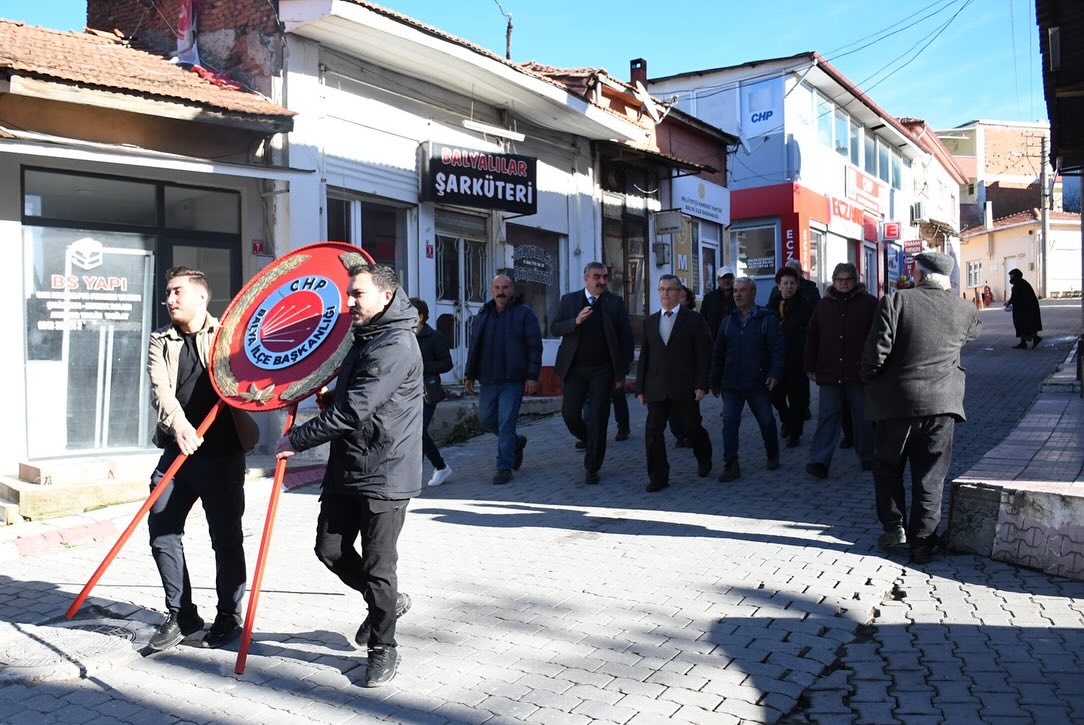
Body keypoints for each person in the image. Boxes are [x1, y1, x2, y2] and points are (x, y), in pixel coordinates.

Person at [275, 263, 422, 688]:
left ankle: (383, 648)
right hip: (348, 465)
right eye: (349, 293)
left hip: (385, 471)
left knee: (379, 567)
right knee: (330, 550)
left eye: (357, 294)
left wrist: (296, 440)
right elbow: (350, 402)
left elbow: (356, 409)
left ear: (385, 295)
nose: (349, 302)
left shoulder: (395, 343)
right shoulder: (366, 337)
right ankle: (387, 605)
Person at [145, 267, 259, 652]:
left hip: (223, 452)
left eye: (177, 291)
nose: (170, 298)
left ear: (200, 297)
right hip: (178, 451)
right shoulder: (160, 340)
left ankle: (229, 615)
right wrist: (179, 426)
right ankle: (182, 614)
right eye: (167, 292)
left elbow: (252, 378)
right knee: (161, 530)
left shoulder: (228, 334)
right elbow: (161, 392)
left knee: (225, 538)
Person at [862, 251, 981, 564]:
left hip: (896, 405)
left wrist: (870, 380)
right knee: (930, 476)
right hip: (943, 405)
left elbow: (876, 354)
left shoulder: (896, 301)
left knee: (888, 468)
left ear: (918, 274)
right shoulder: (965, 309)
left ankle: (894, 527)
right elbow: (972, 333)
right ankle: (922, 545)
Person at [552, 262, 634, 484]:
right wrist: (575, 322)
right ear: (586, 278)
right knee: (570, 414)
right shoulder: (569, 301)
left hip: (603, 370)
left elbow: (626, 338)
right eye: (597, 277)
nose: (602, 281)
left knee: (599, 416)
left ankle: (592, 466)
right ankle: (592, 440)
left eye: (605, 277)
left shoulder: (614, 302)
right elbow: (555, 327)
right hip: (575, 369)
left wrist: (622, 372)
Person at [636, 274, 714, 492]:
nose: (665, 294)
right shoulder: (651, 322)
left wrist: (701, 384)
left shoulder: (694, 320)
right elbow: (645, 356)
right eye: (661, 289)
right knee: (653, 433)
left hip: (684, 387)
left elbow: (703, 355)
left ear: (680, 293)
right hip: (656, 387)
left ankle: (704, 456)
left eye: (670, 290)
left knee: (691, 428)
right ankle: (658, 477)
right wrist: (640, 387)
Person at [464, 274, 543, 485]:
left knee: (506, 422)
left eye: (505, 287)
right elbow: (475, 346)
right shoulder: (483, 314)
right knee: (487, 419)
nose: (501, 291)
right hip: (489, 379)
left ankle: (503, 466)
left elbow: (534, 346)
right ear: (492, 290)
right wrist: (470, 375)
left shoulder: (524, 314)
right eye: (497, 287)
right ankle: (516, 443)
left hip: (514, 380)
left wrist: (532, 376)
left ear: (512, 289)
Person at [803, 262, 877, 479]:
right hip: (829, 371)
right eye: (839, 279)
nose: (844, 283)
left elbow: (878, 336)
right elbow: (812, 336)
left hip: (859, 372)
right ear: (833, 281)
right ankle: (819, 461)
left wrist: (875, 365)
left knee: (863, 418)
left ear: (856, 281)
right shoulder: (824, 305)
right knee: (827, 417)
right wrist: (809, 365)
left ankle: (868, 457)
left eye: (848, 279)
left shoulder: (869, 303)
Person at [709, 276, 784, 482]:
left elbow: (777, 350)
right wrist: (713, 381)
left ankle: (772, 452)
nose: (738, 295)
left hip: (757, 382)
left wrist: (774, 373)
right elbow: (718, 353)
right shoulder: (727, 321)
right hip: (731, 383)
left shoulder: (766, 319)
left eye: (742, 291)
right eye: (735, 291)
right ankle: (731, 464)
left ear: (753, 293)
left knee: (767, 420)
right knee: (729, 422)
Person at [409, 298, 454, 487]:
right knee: (410, 432)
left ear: (421, 316)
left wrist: (421, 367)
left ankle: (416, 477)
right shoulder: (404, 336)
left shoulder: (434, 337)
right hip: (406, 391)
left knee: (418, 431)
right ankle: (440, 467)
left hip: (428, 392)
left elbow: (447, 363)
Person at [769, 266, 814, 447]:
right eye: (785, 283)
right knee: (774, 396)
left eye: (792, 283)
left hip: (798, 359)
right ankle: (786, 419)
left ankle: (795, 432)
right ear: (779, 286)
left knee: (798, 399)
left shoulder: (805, 304)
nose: (789, 287)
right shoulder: (772, 304)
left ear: (797, 285)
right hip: (777, 360)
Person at [1005, 268, 1042, 349]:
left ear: (1015, 276)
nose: (1010, 278)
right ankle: (1024, 342)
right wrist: (1009, 302)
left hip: (1025, 309)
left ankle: (1032, 339)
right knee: (1025, 324)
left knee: (1023, 324)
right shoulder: (1022, 282)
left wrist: (1008, 303)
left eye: (1011, 276)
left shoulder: (1018, 284)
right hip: (1027, 308)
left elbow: (1015, 297)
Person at [701, 265, 736, 339]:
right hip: (714, 338)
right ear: (718, 280)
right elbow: (703, 319)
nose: (726, 280)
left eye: (729, 277)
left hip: (734, 338)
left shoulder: (739, 296)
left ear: (733, 279)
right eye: (723, 278)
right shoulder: (709, 298)